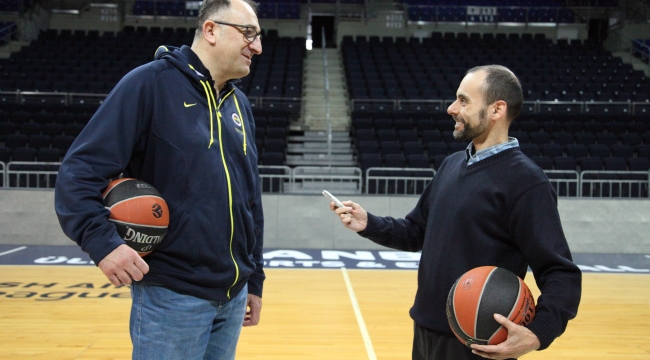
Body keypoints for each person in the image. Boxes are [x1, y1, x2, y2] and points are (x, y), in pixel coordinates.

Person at [54, 0, 264, 358]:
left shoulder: (238, 104)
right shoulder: (148, 84)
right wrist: (102, 244)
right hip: (172, 296)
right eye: (249, 33)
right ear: (211, 30)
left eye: (259, 37)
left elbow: (250, 200)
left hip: (233, 298)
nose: (257, 47)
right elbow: (78, 174)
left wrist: (254, 277)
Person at [331, 65, 581, 360]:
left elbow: (559, 271)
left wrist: (539, 332)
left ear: (496, 109)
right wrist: (368, 224)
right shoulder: (451, 165)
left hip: (479, 344)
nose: (452, 109)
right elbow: (415, 232)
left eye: (464, 101)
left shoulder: (527, 182)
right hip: (425, 330)